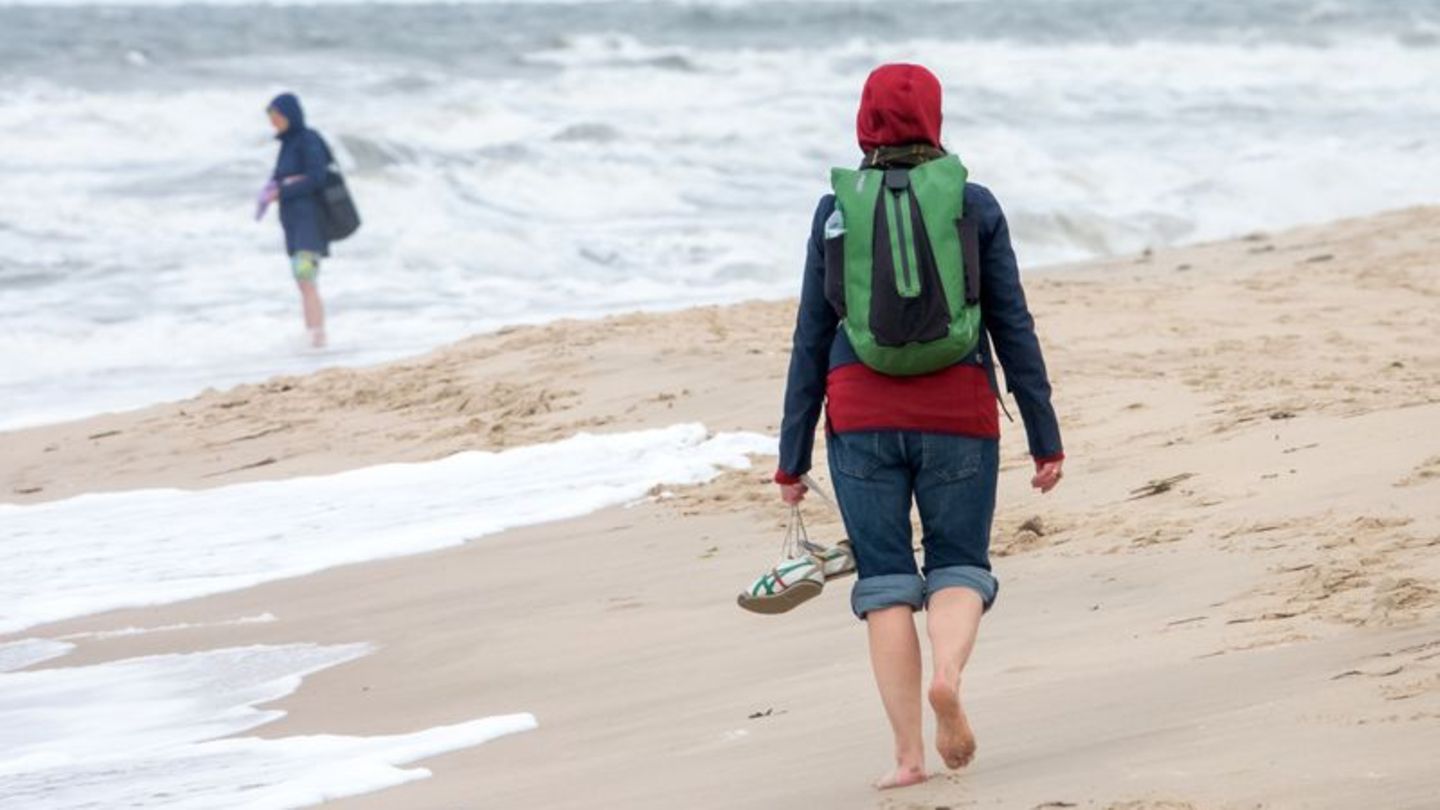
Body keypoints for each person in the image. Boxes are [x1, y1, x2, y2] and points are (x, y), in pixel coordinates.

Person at [774, 63, 1064, 790]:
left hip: (861, 416)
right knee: (958, 564)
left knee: (886, 584)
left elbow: (811, 335)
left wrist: (790, 456)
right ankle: (950, 675)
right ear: (935, 119)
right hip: (959, 411)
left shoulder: (833, 212)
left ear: (864, 122)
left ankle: (908, 759)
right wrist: (1044, 432)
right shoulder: (973, 204)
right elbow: (1013, 322)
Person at [260, 92, 331, 348]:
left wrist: (284, 190)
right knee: (303, 281)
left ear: (290, 114)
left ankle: (317, 336)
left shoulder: (308, 139)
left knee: (306, 278)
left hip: (309, 223)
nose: (273, 121)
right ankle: (313, 334)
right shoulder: (287, 144)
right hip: (293, 223)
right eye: (270, 116)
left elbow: (317, 177)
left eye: (276, 116)